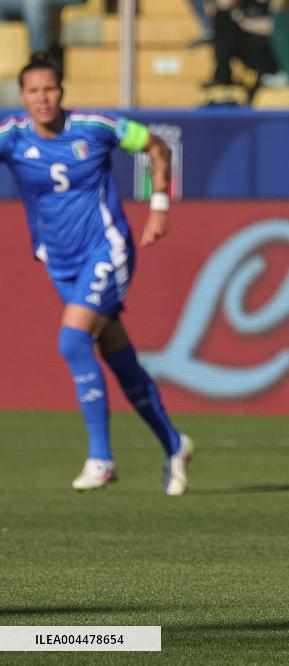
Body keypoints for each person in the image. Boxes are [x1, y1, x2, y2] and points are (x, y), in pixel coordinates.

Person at [0, 54, 193, 495]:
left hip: (108, 249)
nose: (42, 98)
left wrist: (159, 207)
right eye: (33, 91)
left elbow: (156, 147)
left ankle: (101, 458)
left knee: (72, 340)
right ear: (22, 97)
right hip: (59, 262)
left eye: (49, 89)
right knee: (118, 358)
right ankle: (174, 443)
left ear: (62, 91)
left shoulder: (95, 127)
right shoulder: (12, 138)